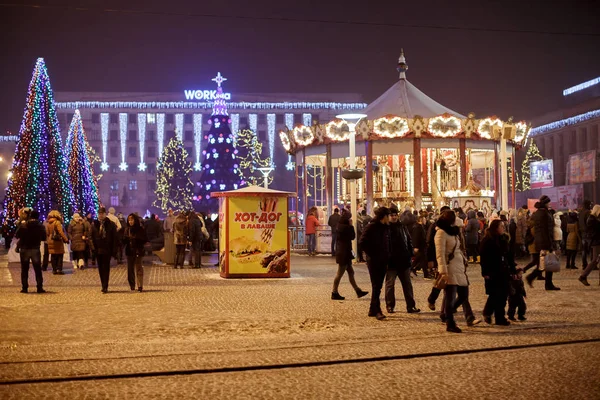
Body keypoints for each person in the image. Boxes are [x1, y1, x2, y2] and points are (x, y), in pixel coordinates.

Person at [435, 210, 473, 333]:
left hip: (459, 267)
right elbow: (440, 253)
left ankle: (447, 313)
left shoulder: (453, 232)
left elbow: (459, 248)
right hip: (449, 267)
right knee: (450, 297)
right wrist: (443, 271)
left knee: (463, 295)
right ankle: (450, 323)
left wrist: (464, 259)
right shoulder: (441, 233)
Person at [385, 206, 419, 314]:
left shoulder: (402, 226)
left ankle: (411, 306)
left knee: (407, 284)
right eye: (392, 215)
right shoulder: (386, 228)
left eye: (395, 215)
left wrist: (410, 253)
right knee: (390, 285)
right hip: (391, 262)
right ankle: (390, 305)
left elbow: (408, 240)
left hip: (403, 260)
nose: (394, 217)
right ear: (388, 216)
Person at [359, 206, 391, 320]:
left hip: (383, 260)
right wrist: (372, 254)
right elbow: (362, 242)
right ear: (384, 217)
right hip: (374, 261)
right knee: (376, 286)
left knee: (378, 286)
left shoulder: (386, 228)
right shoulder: (372, 227)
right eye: (388, 216)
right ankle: (377, 310)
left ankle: (372, 309)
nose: (390, 218)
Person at [480, 220, 513, 326]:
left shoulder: (503, 239)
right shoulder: (488, 240)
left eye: (503, 226)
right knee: (495, 294)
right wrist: (485, 272)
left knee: (502, 295)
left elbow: (508, 256)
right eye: (501, 226)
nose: (503, 228)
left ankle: (497, 316)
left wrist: (513, 268)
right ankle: (492, 314)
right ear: (495, 228)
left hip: (503, 270)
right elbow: (484, 258)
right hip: (492, 271)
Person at [331, 210, 368, 300]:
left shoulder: (340, 226)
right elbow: (353, 237)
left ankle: (358, 290)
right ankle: (334, 292)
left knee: (351, 272)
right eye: (349, 218)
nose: (350, 219)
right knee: (339, 273)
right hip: (344, 254)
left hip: (343, 253)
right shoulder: (346, 228)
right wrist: (351, 226)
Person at [528, 195, 560, 290]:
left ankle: (545, 282)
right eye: (548, 203)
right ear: (545, 203)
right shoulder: (544, 214)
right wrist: (551, 244)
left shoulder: (538, 213)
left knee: (544, 264)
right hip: (545, 242)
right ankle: (544, 282)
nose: (549, 204)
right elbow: (547, 230)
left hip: (540, 241)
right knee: (548, 264)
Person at [15, 210, 46, 293]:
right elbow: (44, 237)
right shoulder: (40, 226)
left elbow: (17, 235)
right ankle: (39, 287)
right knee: (38, 269)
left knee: (24, 269)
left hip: (24, 249)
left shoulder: (23, 225)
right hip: (35, 248)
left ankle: (24, 288)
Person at [92, 207, 117, 293]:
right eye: (99, 214)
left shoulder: (111, 224)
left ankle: (105, 285)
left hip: (107, 249)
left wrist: (114, 250)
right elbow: (91, 237)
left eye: (102, 213)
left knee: (106, 268)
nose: (101, 215)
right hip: (98, 249)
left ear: (105, 214)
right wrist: (93, 249)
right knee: (100, 268)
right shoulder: (94, 224)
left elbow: (114, 238)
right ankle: (103, 284)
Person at [123, 213, 147, 292]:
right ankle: (132, 286)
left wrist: (136, 239)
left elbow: (144, 239)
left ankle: (140, 285)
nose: (130, 221)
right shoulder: (127, 229)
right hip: (129, 251)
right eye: (129, 220)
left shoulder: (140, 229)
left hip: (138, 250)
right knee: (130, 269)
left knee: (139, 268)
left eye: (132, 220)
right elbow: (124, 240)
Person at [578, 205, 600, 286]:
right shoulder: (593, 220)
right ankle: (583, 276)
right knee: (595, 260)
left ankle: (583, 276)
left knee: (595, 260)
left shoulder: (592, 219)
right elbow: (596, 231)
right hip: (596, 242)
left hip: (596, 241)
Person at [46, 210, 68, 275]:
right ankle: (59, 270)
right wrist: (66, 239)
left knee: (53, 255)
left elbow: (47, 232)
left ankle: (54, 269)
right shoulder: (57, 222)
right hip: (57, 241)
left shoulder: (48, 223)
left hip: (50, 240)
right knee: (60, 255)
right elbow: (61, 232)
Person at [411, 211, 430, 278]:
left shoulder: (420, 226)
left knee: (420, 259)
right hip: (420, 246)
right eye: (424, 219)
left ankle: (413, 269)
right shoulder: (417, 227)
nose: (426, 221)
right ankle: (426, 274)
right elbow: (415, 237)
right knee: (422, 260)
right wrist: (415, 246)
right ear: (421, 220)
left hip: (422, 246)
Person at [578, 200, 592, 270]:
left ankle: (584, 264)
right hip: (588, 233)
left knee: (584, 250)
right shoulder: (588, 212)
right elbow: (589, 223)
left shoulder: (580, 212)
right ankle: (593, 264)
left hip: (582, 233)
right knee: (592, 249)